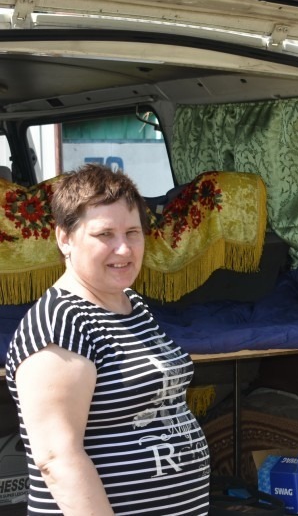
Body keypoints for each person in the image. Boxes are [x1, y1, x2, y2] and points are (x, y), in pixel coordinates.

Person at [5, 164, 210, 515]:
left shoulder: (133, 306)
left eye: (133, 232)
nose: (124, 249)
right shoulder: (61, 324)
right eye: (104, 235)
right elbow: (58, 458)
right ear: (64, 238)